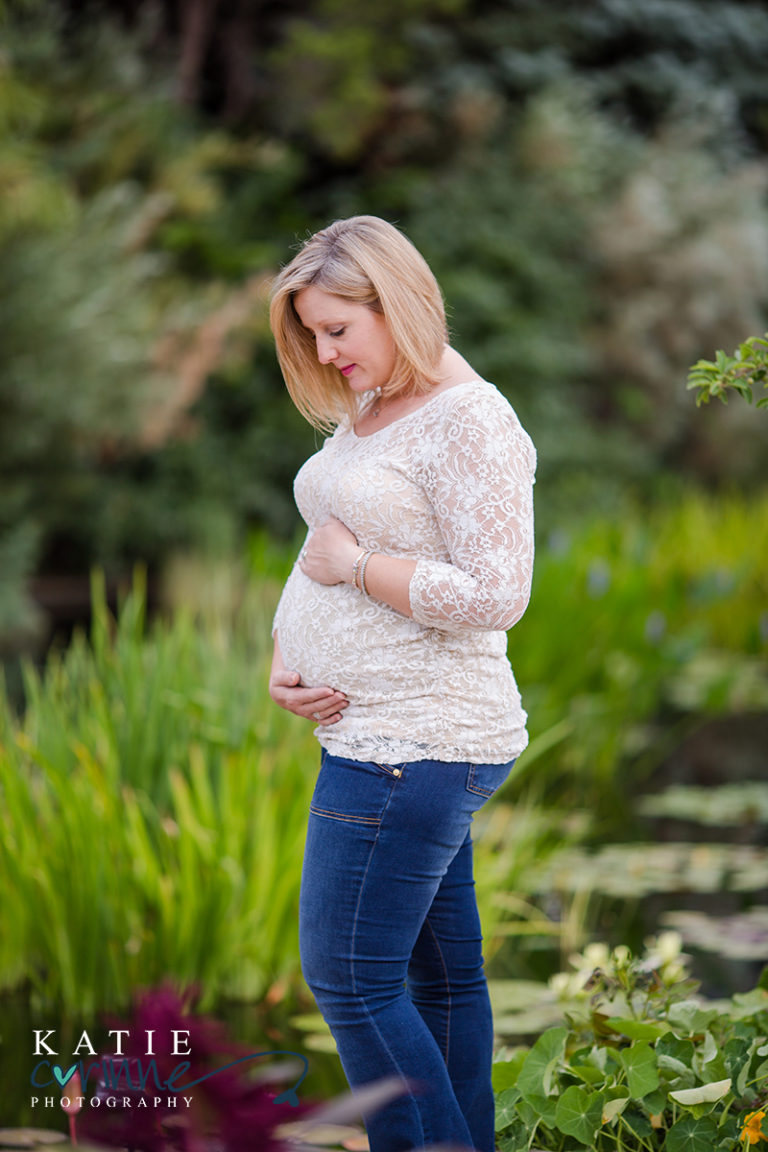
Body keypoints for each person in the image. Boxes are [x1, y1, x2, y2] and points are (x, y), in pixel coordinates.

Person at [268, 215, 536, 1152]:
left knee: (348, 978)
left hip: (412, 743)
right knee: (439, 981)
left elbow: (499, 594)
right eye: (311, 331)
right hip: (378, 733)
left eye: (339, 326)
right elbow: (324, 540)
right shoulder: (374, 405)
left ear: (398, 303)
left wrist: (355, 573)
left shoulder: (471, 419)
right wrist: (286, 648)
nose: (324, 349)